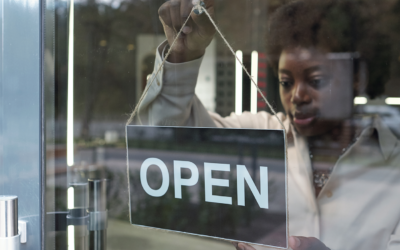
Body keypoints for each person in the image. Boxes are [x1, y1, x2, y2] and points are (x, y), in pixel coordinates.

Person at [135, 0, 400, 249]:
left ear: (357, 78)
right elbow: (166, 138)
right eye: (286, 82)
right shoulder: (259, 134)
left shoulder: (394, 166)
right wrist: (183, 55)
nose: (297, 95)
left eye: (316, 80)